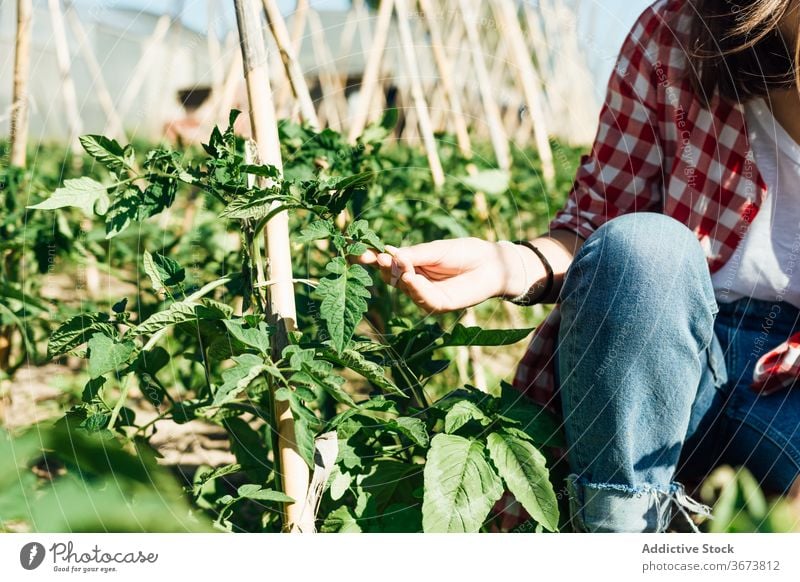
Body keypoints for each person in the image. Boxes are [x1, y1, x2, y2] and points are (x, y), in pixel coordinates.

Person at [356, 0, 800, 532]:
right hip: (662, 354)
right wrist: (511, 265)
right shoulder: (681, 32)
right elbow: (601, 222)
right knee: (644, 249)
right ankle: (621, 536)